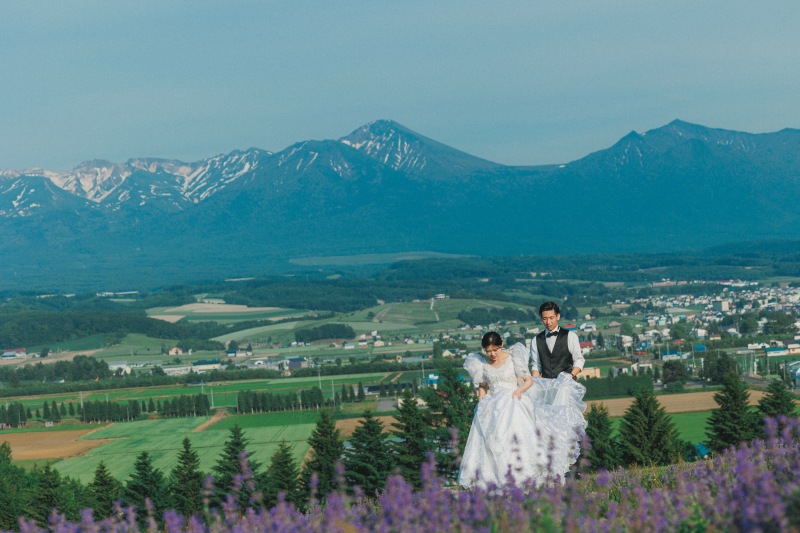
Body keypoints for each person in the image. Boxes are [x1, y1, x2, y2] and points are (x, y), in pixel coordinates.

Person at [459, 331, 548, 489]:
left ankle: (520, 476)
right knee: (493, 441)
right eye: (488, 351)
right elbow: (483, 386)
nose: (492, 354)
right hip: (493, 407)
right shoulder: (483, 365)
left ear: (501, 346)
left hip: (513, 402)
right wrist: (481, 403)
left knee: (515, 439)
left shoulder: (513, 359)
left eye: (495, 350)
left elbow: (528, 380)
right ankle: (497, 479)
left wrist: (518, 391)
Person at [525, 301, 588, 482]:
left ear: (558, 316)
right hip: (545, 389)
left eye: (551, 318)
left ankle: (572, 470)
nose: (548, 322)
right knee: (545, 429)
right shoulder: (536, 340)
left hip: (565, 388)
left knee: (567, 428)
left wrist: (570, 376)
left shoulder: (570, 336)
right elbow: (535, 365)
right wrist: (535, 383)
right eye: (544, 319)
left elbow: (579, 360)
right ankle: (550, 472)